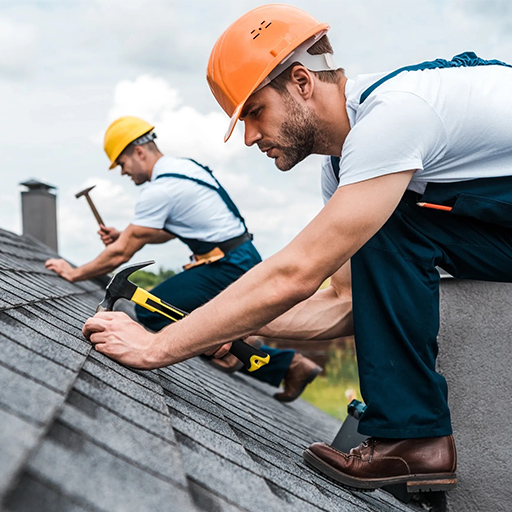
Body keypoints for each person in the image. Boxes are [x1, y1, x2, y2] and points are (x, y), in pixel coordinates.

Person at [82, 3, 512, 493]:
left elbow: (296, 273)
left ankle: (413, 440)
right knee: (387, 226)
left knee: (388, 222)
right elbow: (344, 302)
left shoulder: (395, 115)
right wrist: (215, 326)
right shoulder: (348, 170)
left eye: (254, 112)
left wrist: (158, 345)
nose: (247, 138)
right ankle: (417, 444)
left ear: (303, 82)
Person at [45, 115, 322, 402]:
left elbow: (121, 253)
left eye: (122, 164)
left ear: (139, 152)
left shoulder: (160, 188)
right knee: (196, 319)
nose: (123, 173)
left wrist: (74, 272)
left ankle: (263, 357)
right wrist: (125, 235)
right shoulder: (184, 169)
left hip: (226, 265)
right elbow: (166, 232)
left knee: (151, 312)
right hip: (237, 258)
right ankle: (269, 358)